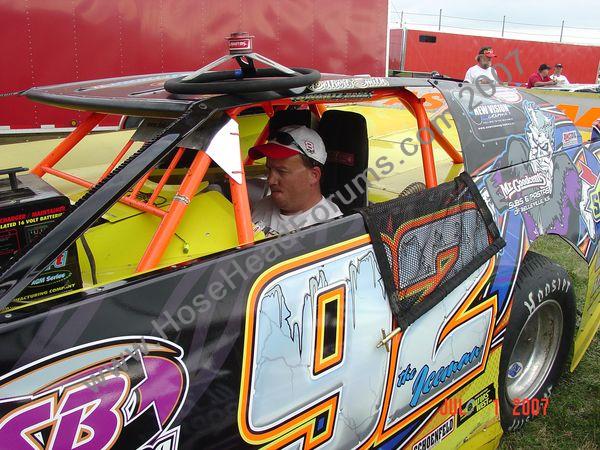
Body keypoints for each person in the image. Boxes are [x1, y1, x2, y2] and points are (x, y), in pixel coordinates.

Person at [248, 125, 342, 236]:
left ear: (314, 175)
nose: (270, 180)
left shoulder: (330, 229)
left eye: (282, 171)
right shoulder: (262, 205)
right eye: (269, 169)